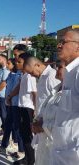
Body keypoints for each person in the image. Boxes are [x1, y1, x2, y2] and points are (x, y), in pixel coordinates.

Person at [50, 30, 79, 165]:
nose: (58, 46)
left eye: (63, 42)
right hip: (62, 153)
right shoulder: (69, 72)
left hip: (72, 156)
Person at [30, 61, 64, 165]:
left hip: (57, 147)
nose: (56, 70)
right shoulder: (56, 90)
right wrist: (37, 121)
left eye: (60, 67)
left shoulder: (70, 94)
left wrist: (43, 126)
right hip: (44, 141)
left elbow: (66, 123)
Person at [0, 58, 24, 159]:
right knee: (7, 125)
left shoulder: (19, 75)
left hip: (16, 104)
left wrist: (10, 96)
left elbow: (18, 89)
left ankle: (20, 150)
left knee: (17, 127)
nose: (7, 65)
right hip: (10, 103)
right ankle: (4, 146)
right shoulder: (10, 74)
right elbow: (5, 84)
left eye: (9, 63)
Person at [14, 52, 37, 165]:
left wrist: (35, 112)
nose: (16, 63)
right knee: (24, 135)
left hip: (28, 109)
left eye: (19, 62)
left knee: (28, 137)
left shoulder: (30, 76)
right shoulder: (23, 75)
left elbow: (35, 94)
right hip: (22, 107)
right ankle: (26, 158)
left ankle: (31, 161)